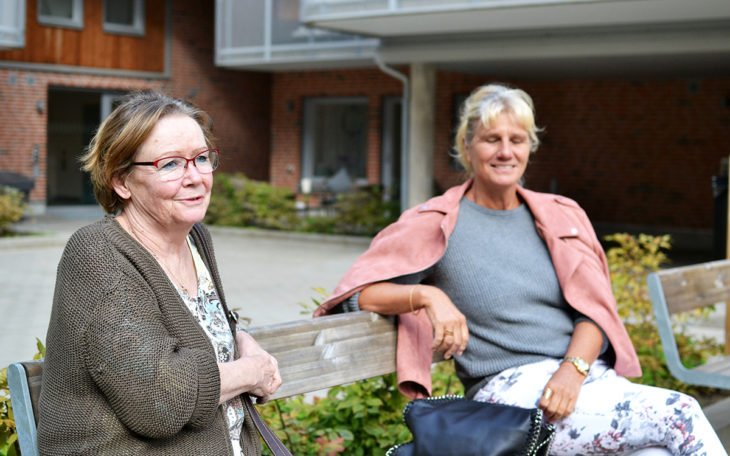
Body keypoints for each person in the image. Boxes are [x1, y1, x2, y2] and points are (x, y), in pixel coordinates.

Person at [315, 83, 726, 455]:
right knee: (680, 411)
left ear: (530, 147)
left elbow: (594, 312)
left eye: (517, 140)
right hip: (508, 396)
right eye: (492, 139)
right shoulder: (436, 221)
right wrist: (427, 295)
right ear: (467, 145)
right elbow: (356, 293)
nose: (505, 152)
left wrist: (572, 370)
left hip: (582, 381)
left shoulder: (560, 216)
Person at [37, 91, 281, 455]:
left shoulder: (194, 238)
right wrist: (251, 371)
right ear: (121, 180)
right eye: (170, 164)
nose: (195, 177)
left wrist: (240, 338)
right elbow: (159, 400)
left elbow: (189, 321)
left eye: (201, 158)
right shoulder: (97, 254)